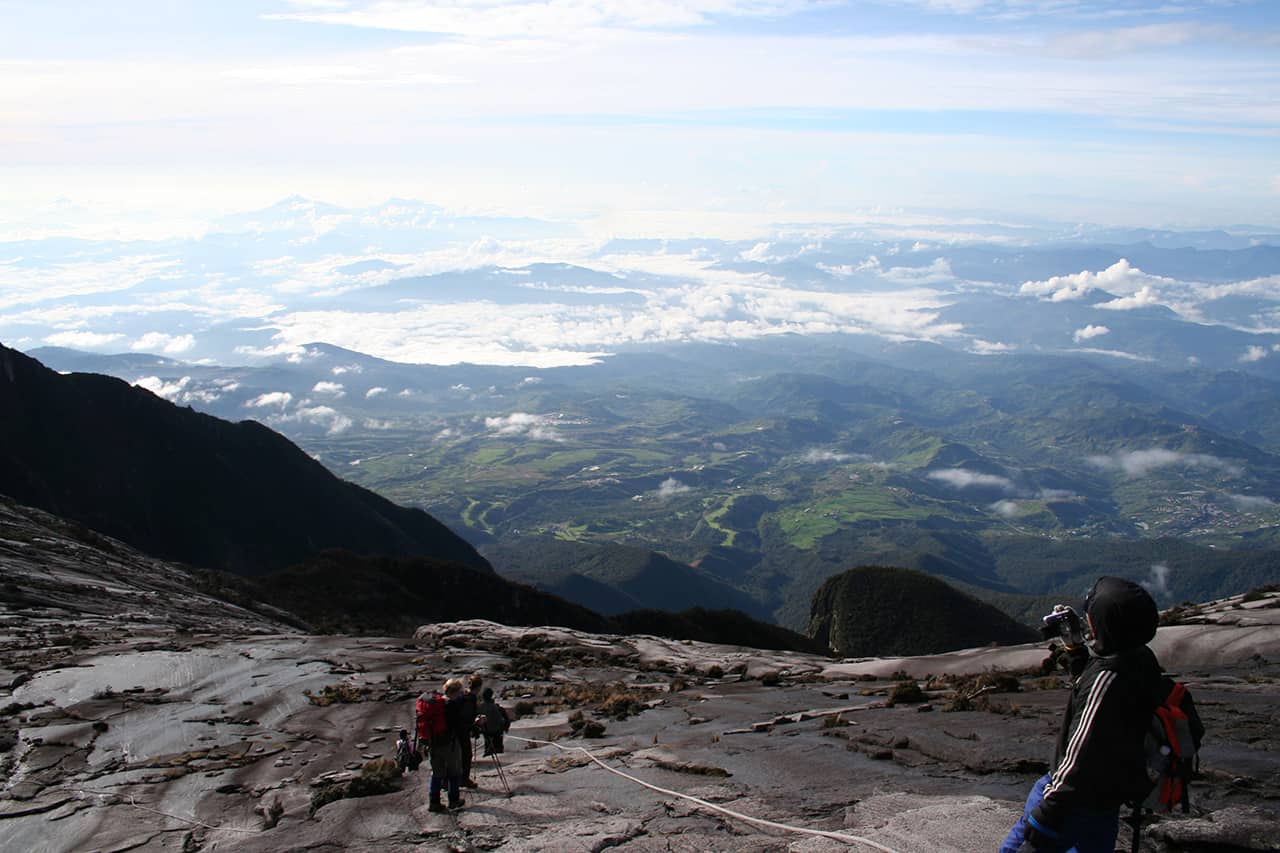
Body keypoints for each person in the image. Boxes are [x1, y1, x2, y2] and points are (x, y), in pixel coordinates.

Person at [1000, 577, 1166, 853]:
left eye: (1092, 616)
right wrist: (1075, 649)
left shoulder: (1107, 678)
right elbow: (1097, 695)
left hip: (1072, 799)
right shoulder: (1139, 659)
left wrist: (1047, 812)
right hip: (1106, 798)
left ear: (1104, 623)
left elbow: (1081, 751)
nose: (1088, 621)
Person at [425, 678, 467, 812]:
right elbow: (458, 725)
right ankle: (454, 800)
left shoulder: (435, 703)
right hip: (449, 743)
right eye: (460, 692)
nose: (461, 694)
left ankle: (434, 802)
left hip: (433, 743)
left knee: (436, 773)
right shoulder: (451, 704)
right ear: (454, 691)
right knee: (454, 771)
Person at [458, 673, 483, 788]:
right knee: (466, 755)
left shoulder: (463, 695)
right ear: (478, 687)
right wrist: (475, 725)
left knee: (458, 756)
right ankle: (464, 779)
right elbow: (467, 718)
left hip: (457, 730)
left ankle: (451, 781)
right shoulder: (470, 699)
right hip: (462, 731)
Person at [477, 686, 511, 756]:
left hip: (486, 733)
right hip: (496, 733)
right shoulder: (494, 707)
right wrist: (504, 725)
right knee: (498, 749)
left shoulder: (480, 707)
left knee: (488, 748)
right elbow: (500, 720)